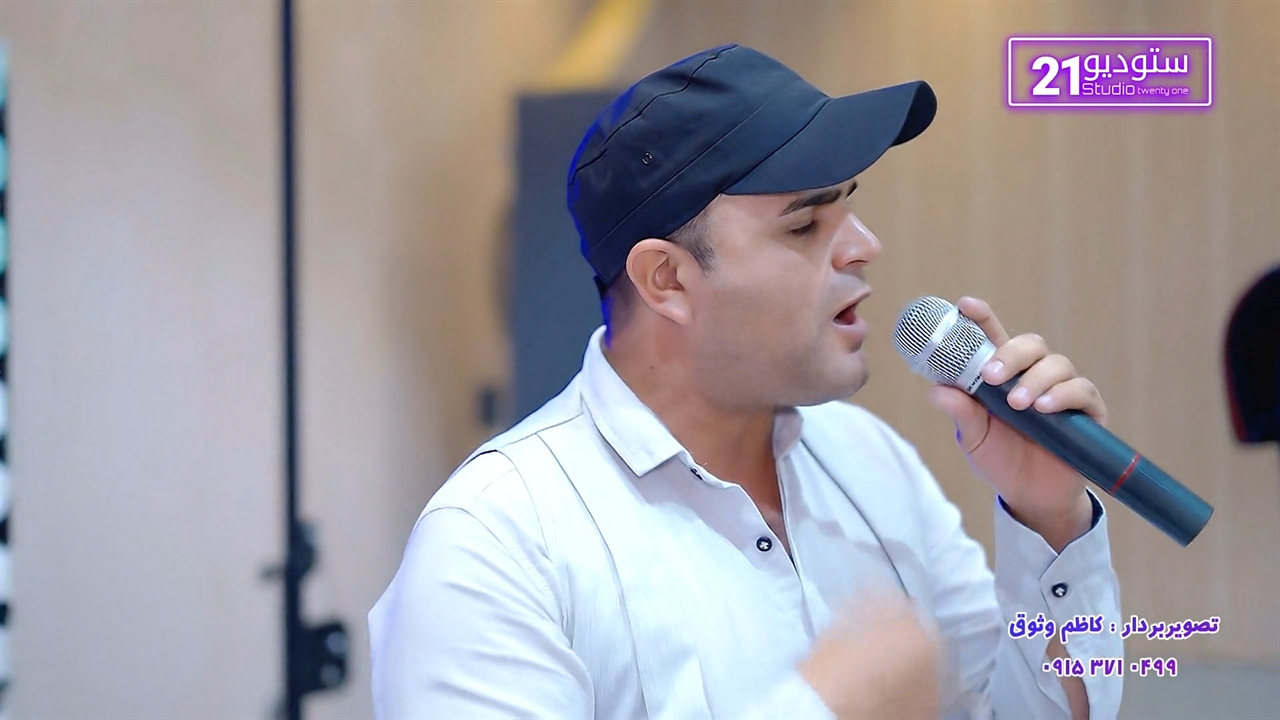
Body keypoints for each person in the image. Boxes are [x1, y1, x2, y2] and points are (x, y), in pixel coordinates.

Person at [369, 44, 1123, 719]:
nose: (864, 245)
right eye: (804, 224)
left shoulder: (871, 460)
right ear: (666, 279)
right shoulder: (498, 540)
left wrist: (1049, 521)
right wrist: (823, 708)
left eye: (849, 206)